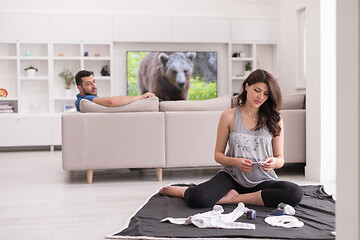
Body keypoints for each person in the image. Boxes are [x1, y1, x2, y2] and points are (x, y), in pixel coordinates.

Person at [159, 69, 304, 208]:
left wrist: (274, 162)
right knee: (199, 199)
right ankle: (183, 191)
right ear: (247, 86)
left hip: (263, 179)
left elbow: (280, 159)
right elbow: (218, 155)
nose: (260, 97)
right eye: (257, 90)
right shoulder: (228, 116)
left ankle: (235, 198)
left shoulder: (275, 119)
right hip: (232, 177)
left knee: (295, 193)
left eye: (266, 94)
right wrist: (236, 162)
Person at [75, 70, 156, 111]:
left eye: (94, 81)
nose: (94, 86)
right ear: (79, 88)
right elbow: (112, 102)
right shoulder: (84, 100)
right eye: (89, 84)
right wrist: (141, 97)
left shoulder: (85, 101)